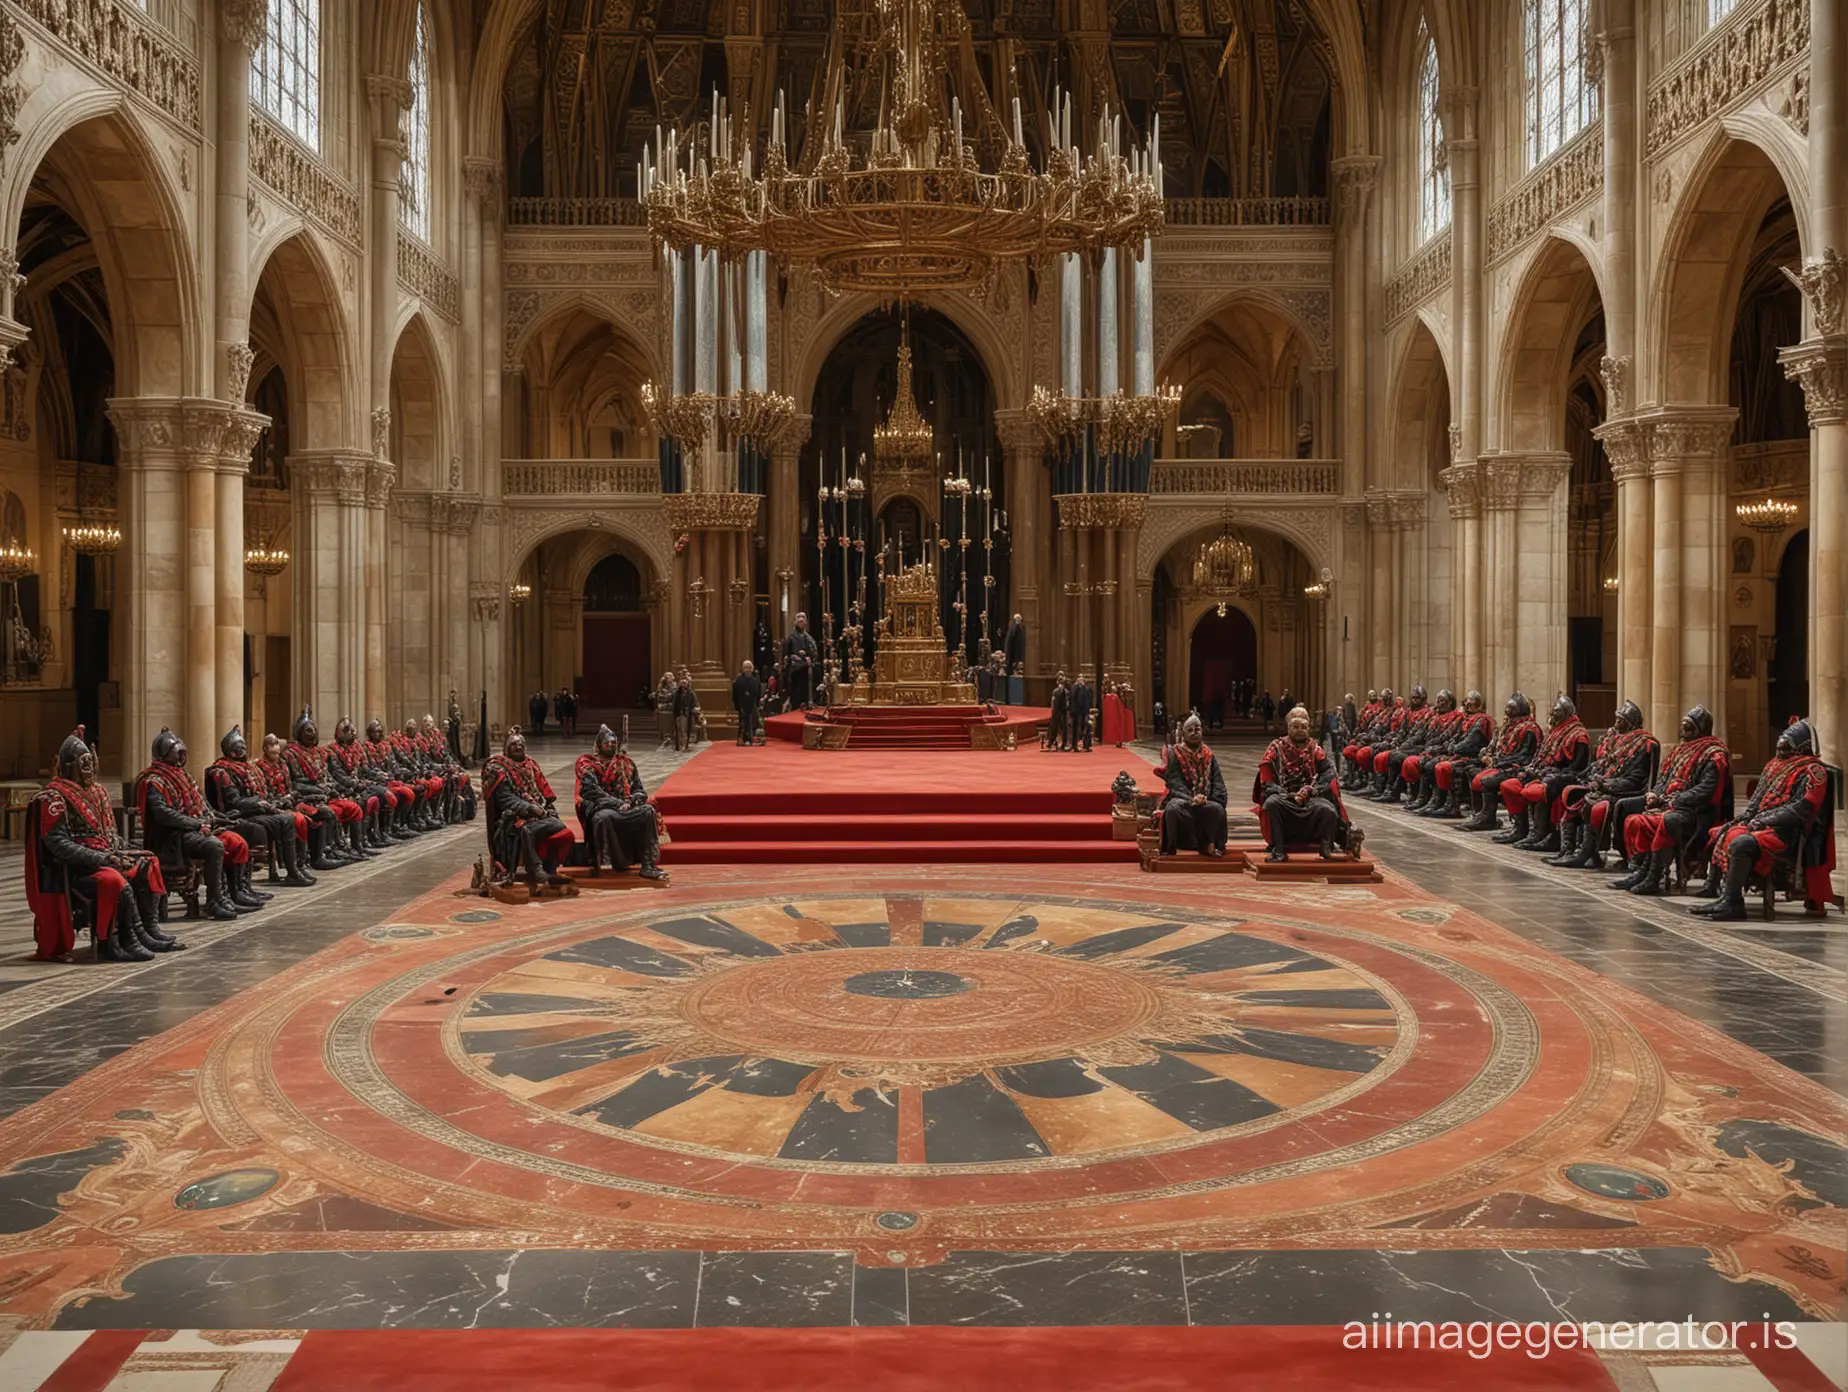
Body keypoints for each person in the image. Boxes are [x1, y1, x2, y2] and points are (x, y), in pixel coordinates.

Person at [26, 727, 176, 963]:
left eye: (91, 763)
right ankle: (112, 941)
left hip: (105, 857)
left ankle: (145, 931)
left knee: (148, 863)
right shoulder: (54, 797)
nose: (89, 769)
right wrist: (102, 858)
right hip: (77, 869)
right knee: (115, 881)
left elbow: (110, 836)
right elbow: (58, 844)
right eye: (83, 763)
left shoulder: (98, 793)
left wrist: (128, 851)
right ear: (69, 765)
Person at [1692, 719, 1832, 920]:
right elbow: (1756, 801)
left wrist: (1766, 820)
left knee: (1741, 843)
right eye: (1779, 746)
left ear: (1800, 747)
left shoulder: (1814, 770)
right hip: (1761, 826)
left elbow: (1802, 809)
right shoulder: (1773, 766)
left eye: (1785, 747)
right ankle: (1720, 894)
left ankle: (1733, 904)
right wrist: (1745, 818)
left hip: (1785, 833)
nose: (1780, 751)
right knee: (1723, 831)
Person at [1609, 704, 1731, 896]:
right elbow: (1664, 777)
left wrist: (1675, 800)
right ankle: (1641, 869)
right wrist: (1655, 794)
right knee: (1629, 810)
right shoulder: (1679, 750)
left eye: (1688, 727)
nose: (1683, 730)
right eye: (1683, 726)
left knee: (1667, 821)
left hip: (1696, 811)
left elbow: (1707, 790)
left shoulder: (1714, 754)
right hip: (1669, 803)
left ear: (1700, 729)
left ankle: (1653, 876)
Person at [136, 727, 255, 919]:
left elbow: (203, 806)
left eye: (184, 753)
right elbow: (163, 814)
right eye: (179, 753)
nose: (183, 757)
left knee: (236, 838)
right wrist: (196, 824)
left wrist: (218, 818)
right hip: (172, 837)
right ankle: (214, 901)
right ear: (166, 754)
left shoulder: (184, 776)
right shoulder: (153, 780)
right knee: (214, 846)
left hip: (195, 830)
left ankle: (233, 894)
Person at [1548, 701, 1657, 868]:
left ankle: (1589, 853)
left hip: (1624, 791)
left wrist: (1607, 785)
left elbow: (1635, 779)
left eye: (1620, 721)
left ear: (1630, 723)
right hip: (1603, 784)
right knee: (1571, 793)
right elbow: (1599, 765)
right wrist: (1588, 778)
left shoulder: (1643, 744)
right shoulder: (1614, 739)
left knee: (1590, 803)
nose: (1615, 724)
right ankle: (1567, 850)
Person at [207, 724, 315, 887]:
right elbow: (233, 802)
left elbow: (261, 792)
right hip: (241, 814)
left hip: (256, 809)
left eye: (243, 746)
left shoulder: (247, 768)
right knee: (287, 820)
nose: (242, 750)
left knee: (289, 819)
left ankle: (295, 868)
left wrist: (270, 801)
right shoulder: (223, 771)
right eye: (238, 747)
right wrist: (259, 802)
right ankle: (292, 871)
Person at [575, 722, 667, 880]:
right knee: (603, 818)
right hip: (602, 807)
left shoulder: (627, 763)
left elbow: (639, 789)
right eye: (606, 743)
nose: (610, 745)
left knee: (647, 812)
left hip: (627, 806)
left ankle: (648, 865)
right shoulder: (586, 763)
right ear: (599, 745)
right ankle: (606, 862)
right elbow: (592, 792)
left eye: (613, 743)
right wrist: (618, 804)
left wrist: (631, 802)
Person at [1253, 706, 1347, 861]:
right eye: (1295, 727)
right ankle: (1279, 850)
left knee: (1328, 810)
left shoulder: (1314, 748)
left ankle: (1326, 847)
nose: (1300, 730)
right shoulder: (1276, 747)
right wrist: (1289, 795)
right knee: (1271, 804)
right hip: (1285, 797)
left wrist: (1312, 790)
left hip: (1310, 797)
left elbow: (1328, 773)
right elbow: (1267, 781)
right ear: (1288, 727)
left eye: (1304, 727)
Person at [1497, 695, 1592, 848]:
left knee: (1539, 790)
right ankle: (1522, 829)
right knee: (1509, 785)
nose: (1552, 715)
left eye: (1556, 712)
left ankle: (1541, 833)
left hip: (1567, 776)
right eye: (1552, 712)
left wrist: (1548, 772)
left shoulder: (1578, 735)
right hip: (1545, 773)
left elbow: (1578, 767)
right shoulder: (1555, 731)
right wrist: (1532, 769)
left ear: (1567, 713)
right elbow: (1539, 756)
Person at [483, 727, 574, 885]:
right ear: (506, 749)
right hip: (514, 817)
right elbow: (506, 799)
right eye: (514, 744)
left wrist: (546, 808)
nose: (519, 746)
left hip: (539, 815)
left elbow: (545, 793)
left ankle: (550, 869)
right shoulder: (498, 768)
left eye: (521, 744)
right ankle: (536, 870)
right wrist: (529, 808)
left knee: (559, 826)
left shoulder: (531, 765)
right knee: (525, 829)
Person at [286, 707, 369, 862]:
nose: (312, 735)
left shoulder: (318, 753)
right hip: (305, 799)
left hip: (324, 795)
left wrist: (336, 788)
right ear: (299, 733)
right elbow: (295, 784)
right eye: (308, 731)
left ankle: (353, 847)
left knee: (354, 807)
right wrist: (319, 789)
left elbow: (328, 776)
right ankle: (325, 852)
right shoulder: (291, 754)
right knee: (329, 812)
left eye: (313, 731)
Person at [256, 731, 344, 870]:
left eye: (278, 751)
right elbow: (263, 794)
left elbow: (292, 787)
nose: (276, 755)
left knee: (324, 812)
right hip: (276, 806)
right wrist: (282, 801)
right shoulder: (259, 768)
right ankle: (300, 862)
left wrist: (294, 796)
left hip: (293, 801)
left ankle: (320, 855)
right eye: (273, 751)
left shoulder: (282, 765)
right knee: (301, 820)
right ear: (265, 749)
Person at [1458, 694, 1542, 832]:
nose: (1507, 709)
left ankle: (1489, 818)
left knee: (1488, 781)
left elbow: (1524, 756)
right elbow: (1494, 746)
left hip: (1518, 766)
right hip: (1502, 763)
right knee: (1471, 771)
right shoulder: (1507, 726)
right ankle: (1479, 814)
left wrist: (1498, 761)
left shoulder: (1529, 729)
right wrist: (1486, 755)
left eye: (1511, 707)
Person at [1417, 691, 1495, 820]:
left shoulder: (1482, 720)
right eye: (1467, 703)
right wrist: (1451, 745)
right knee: (1430, 762)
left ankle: (1453, 805)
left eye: (1472, 704)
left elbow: (1471, 742)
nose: (1468, 706)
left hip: (1473, 756)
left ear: (1479, 705)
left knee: (1447, 766)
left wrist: (1454, 748)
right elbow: (1456, 736)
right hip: (1459, 753)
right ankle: (1436, 800)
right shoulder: (1466, 719)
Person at [1158, 714, 1228, 857]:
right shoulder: (1175, 753)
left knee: (1217, 809)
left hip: (1205, 800)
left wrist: (1212, 799)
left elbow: (1218, 782)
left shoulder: (1209, 754)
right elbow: (1174, 781)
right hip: (1183, 799)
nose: (1194, 733)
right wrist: (1192, 798)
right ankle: (1170, 848)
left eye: (1197, 729)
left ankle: (1210, 845)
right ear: (1183, 734)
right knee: (1172, 809)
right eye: (1189, 730)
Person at [326, 717, 391, 853]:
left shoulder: (356, 748)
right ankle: (358, 842)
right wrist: (357, 783)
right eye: (349, 731)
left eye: (353, 730)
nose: (353, 733)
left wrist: (377, 774)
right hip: (345, 788)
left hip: (359, 784)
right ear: (340, 733)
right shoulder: (332, 751)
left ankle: (373, 835)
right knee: (365, 799)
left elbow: (365, 768)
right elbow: (339, 776)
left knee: (380, 793)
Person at [1393, 688, 1459, 810]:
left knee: (1427, 763)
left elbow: (1452, 738)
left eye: (1443, 700)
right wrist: (1406, 743)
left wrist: (1437, 747)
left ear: (1450, 702)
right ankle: (1418, 796)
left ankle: (1433, 798)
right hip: (1428, 748)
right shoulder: (1433, 717)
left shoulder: (1456, 717)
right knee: (1398, 755)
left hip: (1443, 750)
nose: (1440, 703)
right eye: (1438, 700)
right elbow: (1421, 733)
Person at [1369, 685, 1434, 802]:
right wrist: (1394, 742)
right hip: (1406, 746)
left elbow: (1419, 735)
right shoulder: (1408, 713)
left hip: (1419, 747)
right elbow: (1401, 731)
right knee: (1384, 752)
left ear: (1423, 698)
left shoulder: (1427, 713)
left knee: (1396, 756)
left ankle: (1394, 791)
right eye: (1413, 697)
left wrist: (1404, 745)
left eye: (1417, 698)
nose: (1414, 700)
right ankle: (1383, 789)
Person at [359, 719, 421, 840]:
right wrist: (381, 774)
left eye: (378, 731)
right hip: (377, 781)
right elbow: (367, 769)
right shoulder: (365, 748)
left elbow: (393, 765)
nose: (376, 734)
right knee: (392, 795)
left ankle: (401, 824)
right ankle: (385, 830)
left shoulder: (385, 746)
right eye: (373, 732)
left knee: (415, 789)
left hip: (390, 778)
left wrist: (399, 771)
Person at [782, 612, 819, 709]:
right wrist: (792, 657)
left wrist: (808, 656)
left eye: (803, 620)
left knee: (806, 692)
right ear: (796, 622)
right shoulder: (790, 637)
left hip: (806, 669)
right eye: (799, 620)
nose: (801, 622)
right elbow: (785, 654)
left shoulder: (809, 638)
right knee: (796, 695)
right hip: (795, 670)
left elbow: (814, 653)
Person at [733, 660, 763, 745]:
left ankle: (751, 738)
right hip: (743, 704)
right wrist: (737, 706)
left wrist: (758, 702)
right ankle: (742, 739)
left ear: (752, 669)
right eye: (746, 668)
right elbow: (735, 695)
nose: (748, 670)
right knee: (743, 722)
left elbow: (758, 692)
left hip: (752, 704)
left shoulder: (755, 679)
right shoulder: (738, 680)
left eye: (750, 668)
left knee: (753, 722)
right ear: (743, 669)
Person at [673, 672, 699, 750]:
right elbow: (674, 702)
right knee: (678, 729)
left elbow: (694, 703)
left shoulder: (690, 693)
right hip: (678, 713)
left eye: (684, 682)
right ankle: (679, 744)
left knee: (683, 729)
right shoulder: (677, 692)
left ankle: (684, 744)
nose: (683, 684)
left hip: (685, 714)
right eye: (682, 682)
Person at [1071, 675, 1094, 751]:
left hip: (1085, 711)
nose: (1081, 681)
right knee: (1077, 729)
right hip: (1077, 712)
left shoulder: (1086, 689)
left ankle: (1086, 745)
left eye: (1082, 679)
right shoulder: (1074, 688)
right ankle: (1075, 746)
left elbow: (1089, 699)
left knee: (1087, 728)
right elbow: (1073, 698)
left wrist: (1089, 709)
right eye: (1079, 679)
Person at [656, 670, 679, 748]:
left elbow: (675, 697)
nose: (670, 678)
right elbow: (661, 697)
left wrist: (669, 696)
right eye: (668, 677)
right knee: (664, 720)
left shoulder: (676, 686)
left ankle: (671, 737)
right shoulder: (661, 687)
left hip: (672, 707)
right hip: (664, 709)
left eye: (671, 676)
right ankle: (666, 737)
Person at [1048, 673, 1070, 751]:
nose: (1061, 684)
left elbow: (1067, 702)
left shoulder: (1066, 692)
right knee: (1054, 727)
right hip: (1056, 711)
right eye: (1060, 682)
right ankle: (1051, 743)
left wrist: (1067, 710)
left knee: (1064, 727)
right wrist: (1053, 710)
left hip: (1064, 712)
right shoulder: (1055, 691)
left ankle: (1064, 743)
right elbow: (1053, 702)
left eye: (1062, 683)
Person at [1004, 613, 1026, 678]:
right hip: (1013, 650)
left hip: (1019, 649)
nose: (1018, 620)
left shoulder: (1022, 628)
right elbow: (1009, 642)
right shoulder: (1013, 628)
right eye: (1017, 618)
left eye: (1019, 619)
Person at [446, 691, 465, 764]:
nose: (453, 696)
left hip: (456, 727)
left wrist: (457, 720)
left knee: (456, 744)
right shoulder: (450, 705)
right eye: (452, 694)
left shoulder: (456, 706)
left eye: (454, 694)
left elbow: (459, 716)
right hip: (452, 728)